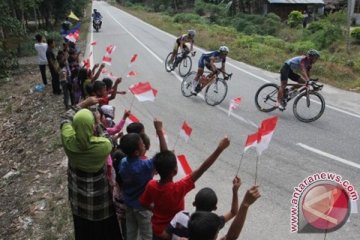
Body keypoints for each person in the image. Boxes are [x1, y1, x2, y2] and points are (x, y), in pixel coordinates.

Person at [139, 136, 230, 240]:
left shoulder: (151, 185)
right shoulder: (178, 188)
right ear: (175, 171)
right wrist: (219, 149)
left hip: (155, 230)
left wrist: (155, 209)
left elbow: (143, 203)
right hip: (173, 232)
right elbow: (202, 168)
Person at [60, 97, 122, 240]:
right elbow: (107, 138)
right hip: (100, 203)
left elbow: (65, 118)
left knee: (84, 233)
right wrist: (99, 123)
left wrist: (83, 104)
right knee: (106, 232)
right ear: (92, 127)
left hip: (78, 201)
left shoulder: (68, 141)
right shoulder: (102, 146)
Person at [117, 119, 168, 240]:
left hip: (129, 203)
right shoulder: (143, 166)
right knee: (146, 235)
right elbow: (165, 155)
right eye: (142, 144)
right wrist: (159, 131)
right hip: (143, 207)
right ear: (136, 152)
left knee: (131, 233)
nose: (144, 145)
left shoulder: (123, 162)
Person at [164, 177, 241, 239]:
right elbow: (233, 212)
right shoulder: (213, 224)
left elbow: (166, 234)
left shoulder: (180, 216)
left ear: (194, 203)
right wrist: (235, 191)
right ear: (215, 208)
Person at [188, 185, 261, 240]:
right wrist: (245, 204)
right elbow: (231, 236)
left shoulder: (185, 220)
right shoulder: (214, 222)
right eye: (217, 233)